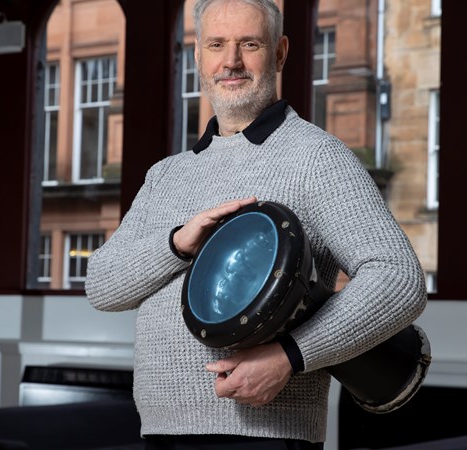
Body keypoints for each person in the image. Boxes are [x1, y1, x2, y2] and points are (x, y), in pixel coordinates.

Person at [85, 0, 427, 448]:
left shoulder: (317, 157)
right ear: (197, 57)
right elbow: (101, 287)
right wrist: (177, 245)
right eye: (217, 45)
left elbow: (400, 278)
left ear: (280, 53)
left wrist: (290, 356)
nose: (232, 61)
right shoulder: (165, 175)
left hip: (267, 436)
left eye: (249, 43)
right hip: (161, 432)